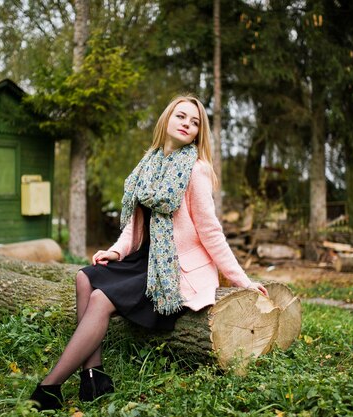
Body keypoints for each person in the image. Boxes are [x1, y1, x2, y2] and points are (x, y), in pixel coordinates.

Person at [28, 95, 269, 411]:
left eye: (195, 122)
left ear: (199, 133)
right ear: (167, 119)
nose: (187, 124)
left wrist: (242, 281)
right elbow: (133, 225)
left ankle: (49, 387)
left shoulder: (195, 170)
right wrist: (115, 252)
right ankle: (93, 375)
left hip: (174, 268)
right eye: (181, 116)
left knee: (101, 299)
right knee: (84, 277)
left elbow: (211, 233)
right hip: (145, 258)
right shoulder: (148, 165)